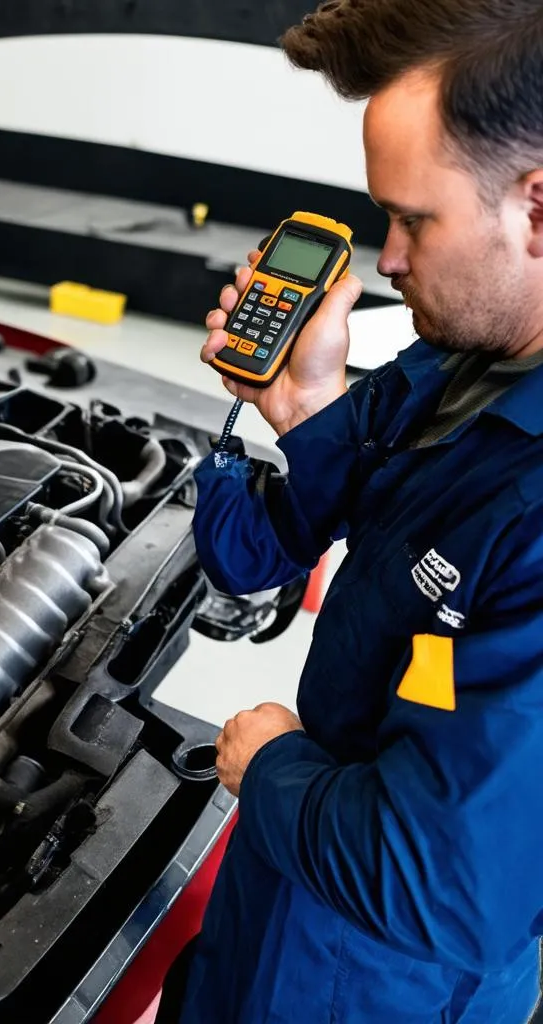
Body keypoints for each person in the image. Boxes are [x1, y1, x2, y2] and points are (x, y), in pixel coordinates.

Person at [178, 1, 543, 1021]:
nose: (385, 258)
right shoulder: (455, 360)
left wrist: (273, 763)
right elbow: (256, 552)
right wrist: (300, 406)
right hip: (288, 905)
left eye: (412, 219)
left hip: (384, 982)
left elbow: (450, 886)